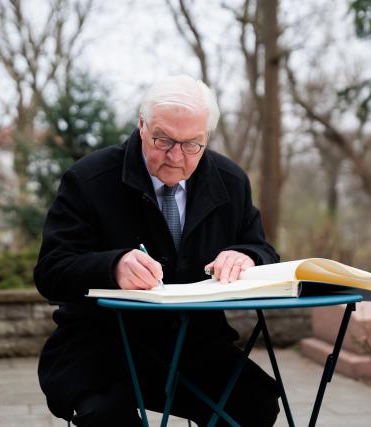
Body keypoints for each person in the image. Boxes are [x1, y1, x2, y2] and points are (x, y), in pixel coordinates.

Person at [35, 75, 281, 426]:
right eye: (163, 140)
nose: (176, 156)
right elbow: (50, 272)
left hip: (195, 346)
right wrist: (113, 266)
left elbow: (263, 250)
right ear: (141, 126)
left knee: (256, 403)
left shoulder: (231, 181)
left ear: (206, 137)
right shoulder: (89, 179)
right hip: (100, 346)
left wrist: (247, 256)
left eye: (192, 144)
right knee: (107, 417)